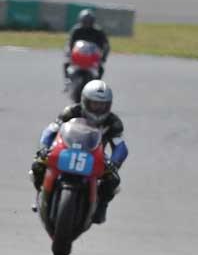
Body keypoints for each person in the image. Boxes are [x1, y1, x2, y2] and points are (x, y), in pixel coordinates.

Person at [30, 80, 128, 224]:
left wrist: (114, 163)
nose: (98, 109)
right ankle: (40, 194)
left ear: (109, 105)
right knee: (37, 165)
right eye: (94, 104)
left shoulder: (113, 122)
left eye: (102, 105)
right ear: (84, 101)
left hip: (95, 154)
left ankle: (101, 207)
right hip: (66, 148)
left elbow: (120, 147)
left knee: (113, 179)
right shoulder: (70, 112)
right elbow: (50, 131)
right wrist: (43, 148)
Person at [63, 9, 110, 78]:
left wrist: (103, 57)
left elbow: (106, 45)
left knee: (100, 68)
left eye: (89, 21)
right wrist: (68, 52)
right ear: (81, 20)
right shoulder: (76, 30)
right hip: (78, 55)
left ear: (93, 21)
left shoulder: (98, 31)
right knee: (66, 63)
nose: (87, 23)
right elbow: (69, 42)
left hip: (92, 57)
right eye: (85, 21)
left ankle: (97, 83)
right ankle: (67, 81)